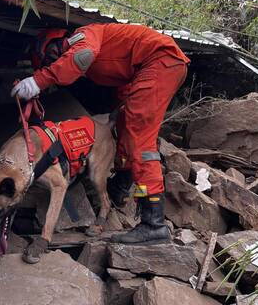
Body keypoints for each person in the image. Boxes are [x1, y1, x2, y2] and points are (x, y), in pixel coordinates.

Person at [11, 23, 189, 244]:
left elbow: (82, 56)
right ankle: (120, 185)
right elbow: (125, 80)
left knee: (140, 140)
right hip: (156, 66)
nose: (55, 63)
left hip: (160, 61)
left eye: (52, 60)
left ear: (53, 44)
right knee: (127, 123)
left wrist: (39, 80)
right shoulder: (97, 58)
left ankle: (153, 223)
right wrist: (121, 107)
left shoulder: (81, 36)